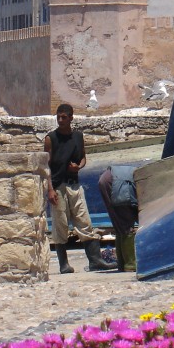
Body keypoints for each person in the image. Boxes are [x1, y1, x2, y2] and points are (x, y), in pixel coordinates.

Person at [44, 103, 114, 274]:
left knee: (84, 221)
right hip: (58, 185)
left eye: (64, 117)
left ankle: (95, 260)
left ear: (71, 118)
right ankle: (63, 264)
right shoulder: (50, 138)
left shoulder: (78, 136)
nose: (60, 120)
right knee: (60, 224)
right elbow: (45, 166)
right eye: (58, 117)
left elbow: (83, 157)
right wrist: (50, 189)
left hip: (74, 183)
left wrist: (78, 166)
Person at [98, 164, 138, 272]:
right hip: (114, 182)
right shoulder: (144, 181)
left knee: (119, 225)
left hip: (107, 179)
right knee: (126, 225)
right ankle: (130, 264)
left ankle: (122, 264)